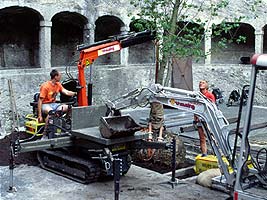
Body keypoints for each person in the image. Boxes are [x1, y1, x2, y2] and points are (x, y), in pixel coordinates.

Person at [37, 69, 77, 136]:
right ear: (55, 76)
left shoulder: (58, 84)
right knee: (51, 113)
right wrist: (39, 115)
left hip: (54, 104)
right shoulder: (45, 86)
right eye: (59, 75)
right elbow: (40, 101)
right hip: (45, 104)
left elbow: (66, 92)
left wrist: (76, 93)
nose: (60, 77)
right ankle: (45, 132)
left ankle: (64, 123)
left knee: (69, 107)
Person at [194, 80, 216, 156]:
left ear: (206, 85)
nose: (200, 83)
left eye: (203, 82)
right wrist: (195, 119)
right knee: (202, 138)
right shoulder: (197, 95)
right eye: (200, 82)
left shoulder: (210, 95)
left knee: (211, 137)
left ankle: (216, 153)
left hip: (207, 119)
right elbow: (194, 107)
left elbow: (212, 108)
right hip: (200, 119)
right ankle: (204, 154)